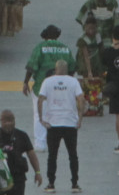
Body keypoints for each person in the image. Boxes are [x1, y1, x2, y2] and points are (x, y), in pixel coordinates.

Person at [37, 55, 84, 193]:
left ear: (56, 69)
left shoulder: (48, 81)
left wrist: (41, 118)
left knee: (52, 155)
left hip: (53, 123)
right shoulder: (73, 81)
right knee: (73, 155)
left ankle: (51, 184)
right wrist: (80, 119)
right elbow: (81, 99)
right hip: (70, 123)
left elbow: (40, 100)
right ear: (67, 69)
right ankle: (75, 183)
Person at [0, 110, 41, 195]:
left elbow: (31, 154)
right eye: (5, 121)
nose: (8, 123)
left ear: (15, 121)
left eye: (11, 120)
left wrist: (37, 172)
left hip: (18, 177)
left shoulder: (22, 135)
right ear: (1, 121)